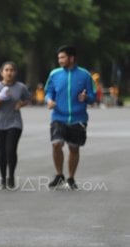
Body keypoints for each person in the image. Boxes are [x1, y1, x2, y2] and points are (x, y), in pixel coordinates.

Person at [44, 45, 96, 190]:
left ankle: (71, 177)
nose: (59, 60)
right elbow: (48, 92)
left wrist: (86, 97)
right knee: (56, 144)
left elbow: (93, 97)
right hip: (58, 116)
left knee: (74, 148)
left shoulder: (85, 75)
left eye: (63, 57)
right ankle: (59, 174)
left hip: (78, 118)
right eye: (58, 58)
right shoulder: (54, 74)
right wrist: (49, 100)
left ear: (72, 58)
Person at [0, 61, 31, 189]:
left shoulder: (21, 87)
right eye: (6, 70)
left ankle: (11, 175)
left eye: (12, 70)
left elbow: (28, 98)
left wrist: (21, 104)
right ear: (1, 73)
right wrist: (0, 98)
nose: (9, 72)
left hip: (15, 123)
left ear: (15, 72)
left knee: (11, 150)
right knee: (2, 152)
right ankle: (2, 178)